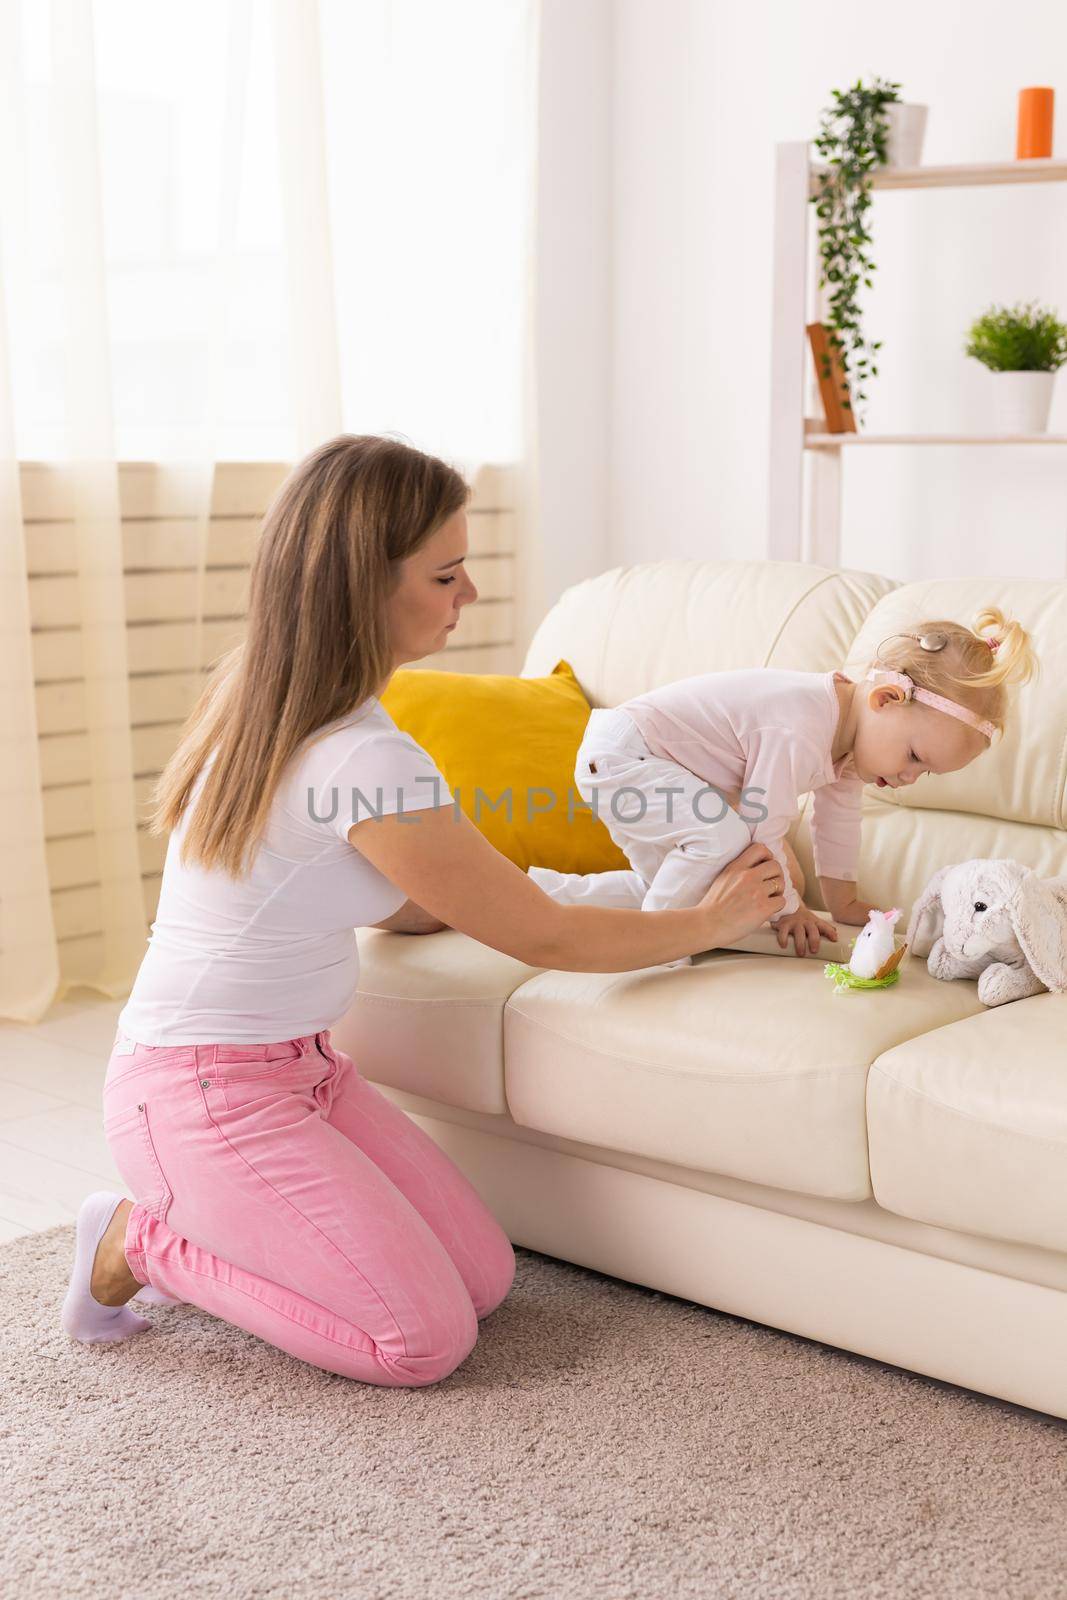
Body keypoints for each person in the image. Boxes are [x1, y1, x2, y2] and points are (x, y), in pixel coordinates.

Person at [60, 434, 788, 1387]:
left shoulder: (278, 692)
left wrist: (458, 898)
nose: (469, 595)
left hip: (301, 1074)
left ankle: (186, 1221)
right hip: (200, 1096)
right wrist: (708, 919)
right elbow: (545, 936)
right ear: (365, 585)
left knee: (482, 1282)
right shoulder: (360, 754)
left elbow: (373, 885)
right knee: (415, 1343)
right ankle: (141, 1242)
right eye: (446, 574)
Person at [530, 615, 1038, 959]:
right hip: (625, 757)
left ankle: (537, 894)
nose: (908, 778)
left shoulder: (847, 750)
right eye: (914, 758)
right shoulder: (800, 721)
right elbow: (761, 824)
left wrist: (843, 904)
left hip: (634, 766)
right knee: (724, 839)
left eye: (924, 774)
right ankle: (651, 949)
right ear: (885, 698)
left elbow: (836, 824)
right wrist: (790, 907)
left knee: (670, 883)